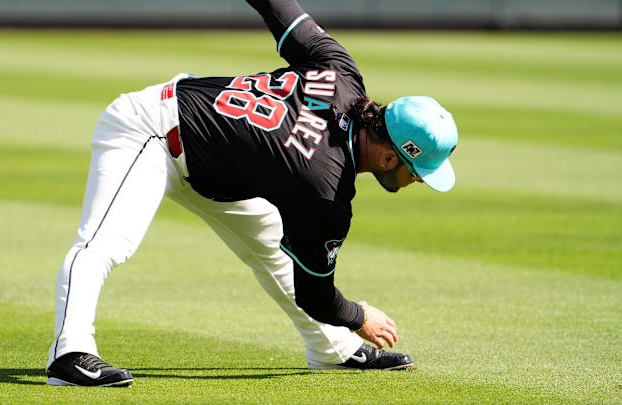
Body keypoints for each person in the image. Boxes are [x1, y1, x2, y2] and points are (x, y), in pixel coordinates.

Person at [45, 0, 458, 387]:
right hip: (150, 128)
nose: (419, 180)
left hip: (214, 163)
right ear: (389, 159)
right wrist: (359, 315)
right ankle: (70, 353)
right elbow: (316, 297)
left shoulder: (340, 71)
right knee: (107, 242)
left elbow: (279, 6)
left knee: (273, 247)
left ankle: (332, 349)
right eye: (418, 171)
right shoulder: (324, 190)